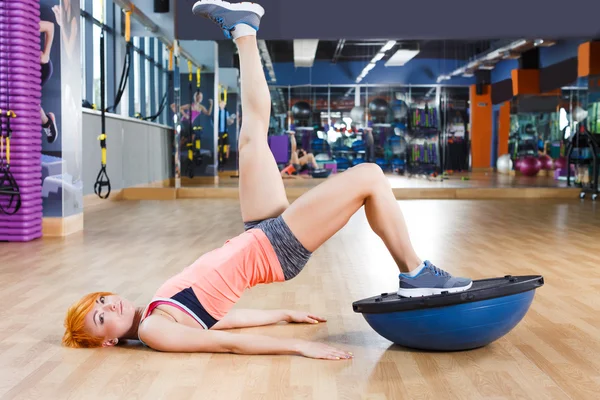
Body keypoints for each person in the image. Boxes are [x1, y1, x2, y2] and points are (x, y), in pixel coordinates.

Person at [62, 0, 472, 360]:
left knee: (252, 134)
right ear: (107, 342)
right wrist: (299, 346)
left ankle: (244, 28)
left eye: (101, 300)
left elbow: (218, 322)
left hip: (258, 235)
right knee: (369, 176)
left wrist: (281, 314)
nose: (109, 306)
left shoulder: (154, 311)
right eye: (100, 318)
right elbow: (225, 346)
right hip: (274, 248)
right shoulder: (152, 330)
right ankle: (416, 274)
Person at [218, 100, 237, 171]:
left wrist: (231, 119)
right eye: (221, 103)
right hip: (219, 132)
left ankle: (226, 158)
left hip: (225, 131)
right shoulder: (217, 112)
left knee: (227, 145)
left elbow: (229, 122)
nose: (223, 105)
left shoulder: (226, 112)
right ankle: (220, 160)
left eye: (224, 104)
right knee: (220, 146)